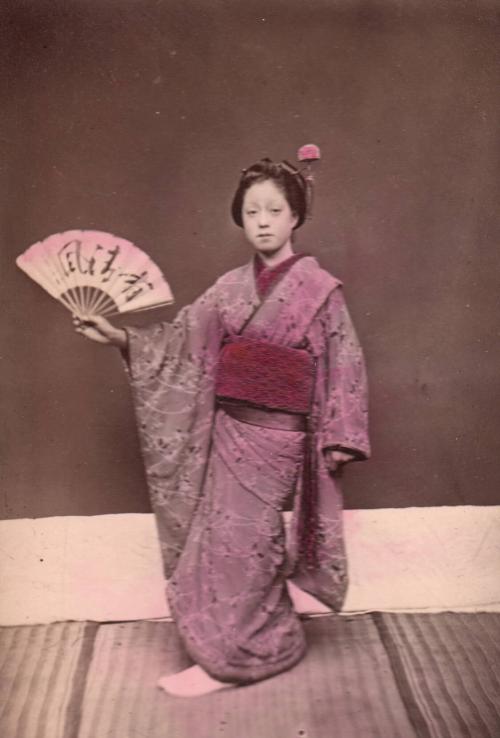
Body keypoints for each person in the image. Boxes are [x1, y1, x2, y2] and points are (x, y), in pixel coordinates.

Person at [74, 157, 371, 697]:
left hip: (280, 436)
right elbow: (180, 341)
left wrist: (340, 435)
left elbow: (343, 360)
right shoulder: (229, 289)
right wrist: (120, 337)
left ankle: (233, 659)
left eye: (274, 210)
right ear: (241, 217)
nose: (262, 221)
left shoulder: (321, 291)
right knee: (219, 543)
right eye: (251, 211)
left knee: (245, 540)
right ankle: (267, 642)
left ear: (295, 218)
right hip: (228, 430)